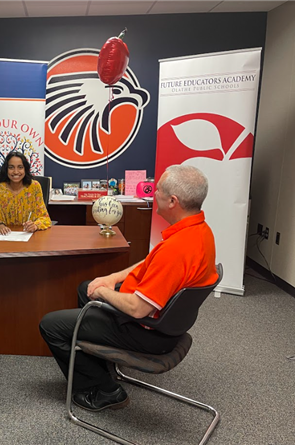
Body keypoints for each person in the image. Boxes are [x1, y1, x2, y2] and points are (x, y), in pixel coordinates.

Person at [39, 165, 218, 412]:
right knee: (85, 288)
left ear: (173, 201)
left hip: (147, 331)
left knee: (51, 325)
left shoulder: (177, 250)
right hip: (162, 322)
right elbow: (149, 262)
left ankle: (105, 391)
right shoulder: (199, 231)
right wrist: (112, 278)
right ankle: (101, 360)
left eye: (158, 191)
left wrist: (102, 292)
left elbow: (138, 309)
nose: (154, 194)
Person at [0, 152, 52, 234]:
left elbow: (45, 218)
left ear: (25, 169)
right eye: (11, 167)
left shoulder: (34, 187)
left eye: (20, 167)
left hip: (28, 235)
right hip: (4, 235)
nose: (16, 172)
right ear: (6, 169)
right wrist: (0, 225)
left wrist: (35, 225)